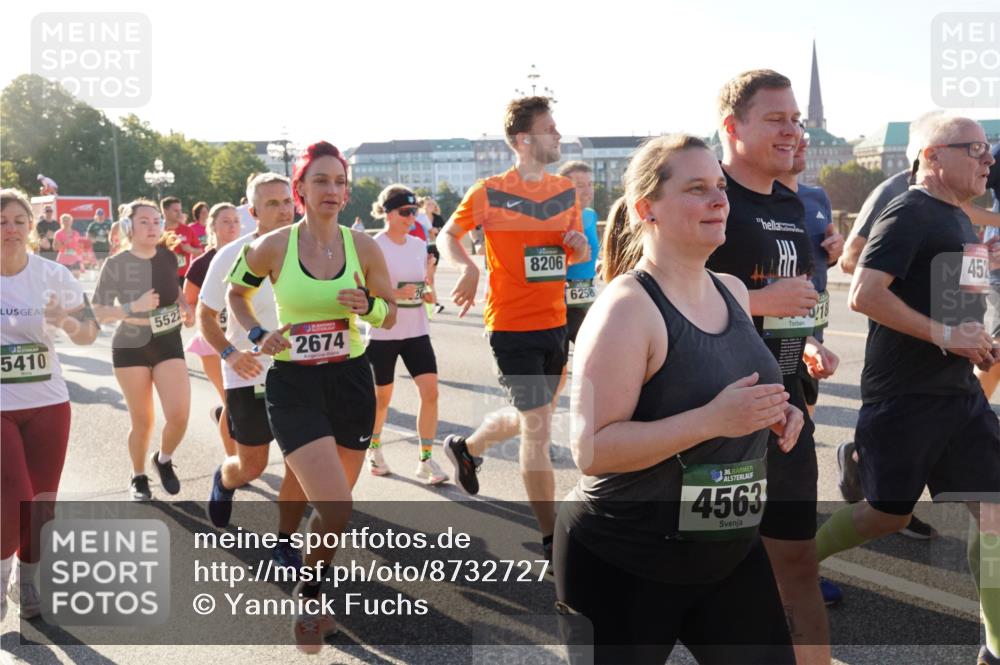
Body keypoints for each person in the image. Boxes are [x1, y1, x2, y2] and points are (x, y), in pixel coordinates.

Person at [555, 135, 799, 665]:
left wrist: (778, 411)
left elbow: (731, 391)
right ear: (648, 210)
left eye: (719, 186)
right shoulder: (627, 307)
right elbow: (592, 450)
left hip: (729, 551)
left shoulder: (731, 289)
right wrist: (713, 421)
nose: (719, 199)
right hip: (627, 560)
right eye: (697, 189)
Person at [817, 116, 1000, 665]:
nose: (987, 160)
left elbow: (951, 308)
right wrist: (948, 334)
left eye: (988, 152)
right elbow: (865, 295)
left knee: (993, 511)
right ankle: (794, 562)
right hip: (905, 399)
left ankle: (995, 646)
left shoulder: (956, 218)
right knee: (887, 515)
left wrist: (974, 340)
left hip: (958, 394)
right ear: (933, 154)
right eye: (976, 150)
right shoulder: (910, 209)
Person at [226, 140, 396, 653]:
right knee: (336, 504)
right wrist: (257, 336)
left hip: (350, 380)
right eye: (321, 180)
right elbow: (238, 294)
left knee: (334, 514)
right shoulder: (274, 246)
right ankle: (307, 596)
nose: (333, 190)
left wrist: (368, 306)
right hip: (294, 385)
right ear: (299, 190)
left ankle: (314, 588)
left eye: (339, 181)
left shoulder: (363, 248)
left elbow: (391, 310)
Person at [703, 69, 829, 661]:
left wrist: (805, 343)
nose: (793, 132)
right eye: (776, 119)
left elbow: (785, 306)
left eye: (796, 119)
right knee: (714, 579)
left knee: (797, 565)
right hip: (711, 422)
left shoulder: (790, 201)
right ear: (733, 127)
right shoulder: (704, 195)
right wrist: (756, 302)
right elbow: (653, 295)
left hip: (785, 416)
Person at [439, 96, 589, 565]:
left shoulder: (565, 191)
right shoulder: (489, 191)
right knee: (538, 429)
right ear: (524, 140)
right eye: (550, 128)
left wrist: (579, 243)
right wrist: (466, 267)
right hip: (510, 327)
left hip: (555, 325)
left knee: (531, 415)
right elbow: (448, 235)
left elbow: (575, 255)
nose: (559, 135)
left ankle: (467, 448)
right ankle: (551, 540)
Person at [198, 173, 306, 567]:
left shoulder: (309, 247)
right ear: (252, 210)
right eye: (271, 203)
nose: (282, 209)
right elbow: (204, 316)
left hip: (301, 372)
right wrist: (229, 353)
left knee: (301, 461)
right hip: (247, 372)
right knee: (253, 466)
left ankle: (285, 540)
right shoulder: (232, 254)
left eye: (286, 201)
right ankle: (224, 480)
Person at [1, 189, 99, 621]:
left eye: (19, 220)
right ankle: (1, 575)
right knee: (12, 495)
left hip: (48, 402)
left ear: (31, 227)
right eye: (2, 221)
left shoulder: (53, 275)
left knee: (41, 502)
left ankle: (28, 581)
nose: (11, 229)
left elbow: (88, 334)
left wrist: (68, 321)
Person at [92, 199, 195, 501]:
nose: (153, 227)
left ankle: (162, 459)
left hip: (167, 342)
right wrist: (131, 307)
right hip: (130, 348)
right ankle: (138, 476)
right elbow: (98, 311)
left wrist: (185, 305)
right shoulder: (115, 264)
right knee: (143, 420)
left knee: (179, 415)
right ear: (128, 227)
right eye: (144, 222)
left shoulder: (166, 256)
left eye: (157, 221)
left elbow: (172, 287)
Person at [365, 185, 448, 485]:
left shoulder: (418, 244)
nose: (411, 217)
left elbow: (426, 290)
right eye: (405, 212)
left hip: (416, 331)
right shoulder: (374, 246)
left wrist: (429, 287)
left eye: (414, 212)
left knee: (431, 393)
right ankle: (374, 449)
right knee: (381, 399)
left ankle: (425, 460)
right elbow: (365, 292)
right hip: (383, 333)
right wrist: (397, 293)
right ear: (388, 212)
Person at [775, 131, 843, 421]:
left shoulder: (817, 197)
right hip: (771, 338)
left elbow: (819, 263)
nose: (802, 141)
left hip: (813, 332)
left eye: (803, 134)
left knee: (803, 432)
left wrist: (834, 253)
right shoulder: (748, 202)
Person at [183, 203, 243, 456]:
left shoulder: (249, 255)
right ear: (213, 227)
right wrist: (201, 313)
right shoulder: (202, 263)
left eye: (236, 221)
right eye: (226, 221)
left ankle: (239, 444)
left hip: (243, 338)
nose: (232, 226)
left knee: (243, 402)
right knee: (231, 400)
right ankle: (233, 459)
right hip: (212, 340)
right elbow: (188, 301)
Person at [557, 161, 600, 358]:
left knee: (594, 352)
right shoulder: (556, 218)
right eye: (580, 185)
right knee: (590, 351)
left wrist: (599, 261)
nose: (588, 190)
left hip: (586, 293)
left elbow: (592, 251)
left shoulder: (590, 214)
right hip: (562, 295)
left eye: (590, 184)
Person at [160, 196, 202, 285]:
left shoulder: (187, 230)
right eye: (176, 211)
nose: (180, 214)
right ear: (165, 211)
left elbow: (201, 251)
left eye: (180, 210)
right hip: (163, 276)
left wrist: (190, 250)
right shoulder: (158, 231)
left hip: (184, 276)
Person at [53, 213, 84, 278]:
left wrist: (81, 257)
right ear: (61, 222)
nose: (66, 222)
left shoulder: (76, 233)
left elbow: (79, 247)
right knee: (64, 280)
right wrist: (64, 243)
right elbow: (55, 247)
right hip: (63, 260)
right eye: (65, 220)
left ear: (71, 222)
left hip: (75, 259)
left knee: (76, 279)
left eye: (68, 220)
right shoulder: (58, 234)